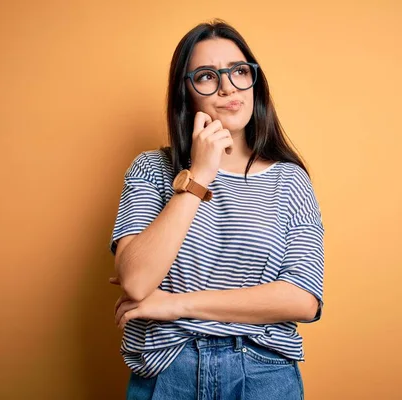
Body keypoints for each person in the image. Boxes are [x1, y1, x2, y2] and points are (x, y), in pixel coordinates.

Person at [109, 19, 325, 400]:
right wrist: (200, 175)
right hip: (168, 370)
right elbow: (138, 281)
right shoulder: (151, 168)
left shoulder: (289, 180)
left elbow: (302, 299)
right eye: (207, 76)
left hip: (261, 371)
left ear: (254, 83)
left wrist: (175, 305)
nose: (228, 86)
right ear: (187, 92)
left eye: (240, 71)